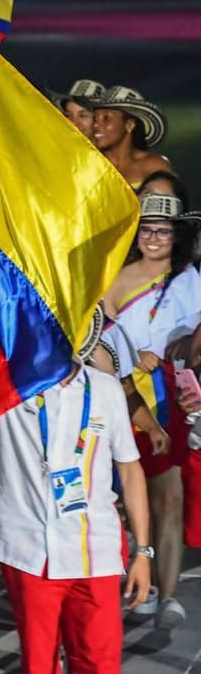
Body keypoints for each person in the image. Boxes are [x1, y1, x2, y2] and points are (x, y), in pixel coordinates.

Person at [0, 329, 152, 674]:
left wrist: (143, 552)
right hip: (29, 551)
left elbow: (130, 470)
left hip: (94, 551)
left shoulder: (105, 388)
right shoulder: (6, 380)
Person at [100, 193, 200, 629]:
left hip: (173, 399)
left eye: (162, 230)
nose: (153, 238)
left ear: (177, 235)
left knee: (170, 499)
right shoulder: (115, 280)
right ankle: (137, 581)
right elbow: (98, 338)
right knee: (122, 496)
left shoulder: (192, 280)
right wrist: (129, 356)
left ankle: (170, 592)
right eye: (146, 229)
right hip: (122, 397)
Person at [91, 86, 171, 190]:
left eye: (106, 118)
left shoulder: (154, 167)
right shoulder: (88, 165)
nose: (95, 125)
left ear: (129, 125)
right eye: (94, 119)